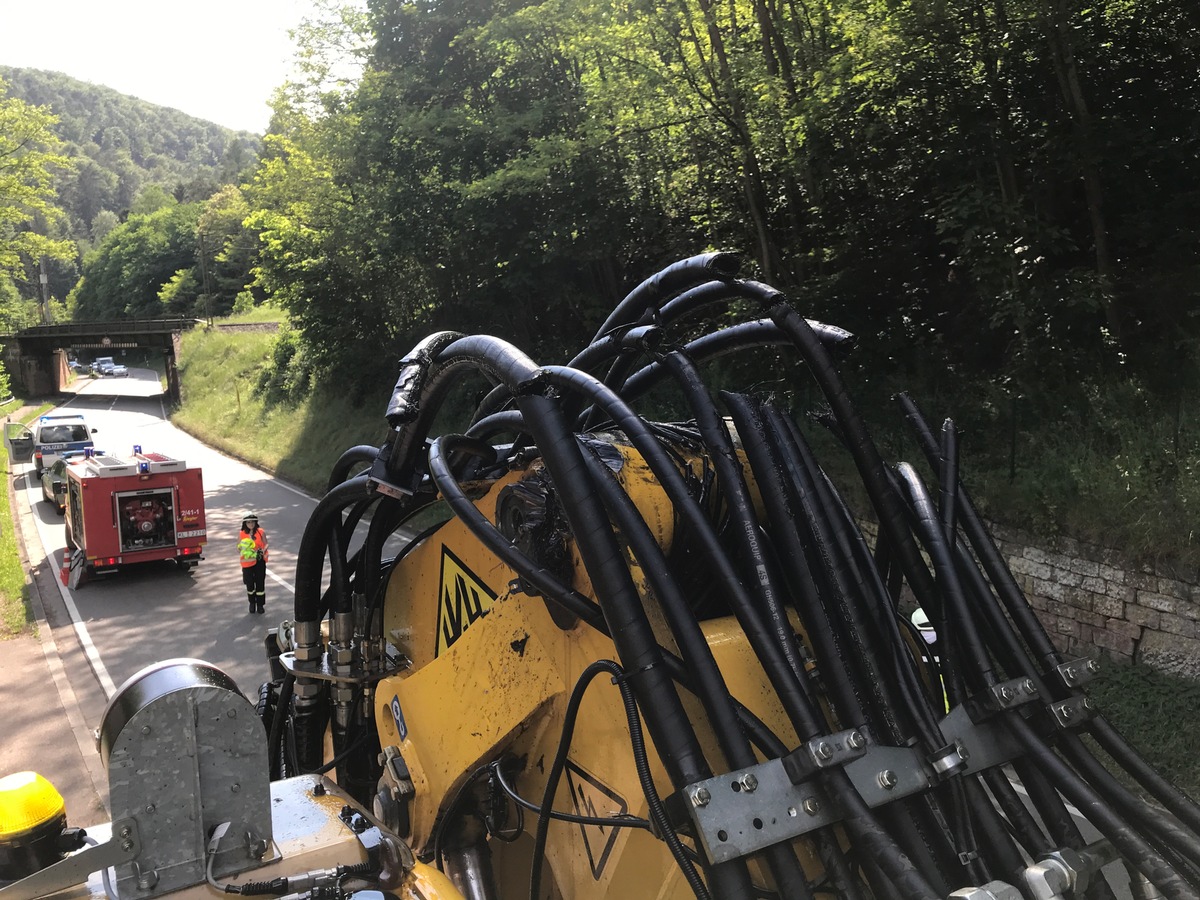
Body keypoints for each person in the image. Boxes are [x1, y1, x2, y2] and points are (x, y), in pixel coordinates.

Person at [238, 512, 268, 614]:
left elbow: (266, 544)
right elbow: (238, 546)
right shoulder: (242, 533)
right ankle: (252, 603)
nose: (251, 524)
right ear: (245, 524)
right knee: (249, 584)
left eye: (253, 522)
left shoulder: (260, 532)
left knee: (260, 583)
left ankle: (260, 605)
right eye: (248, 522)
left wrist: (262, 551)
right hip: (247, 563)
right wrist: (245, 550)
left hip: (259, 561)